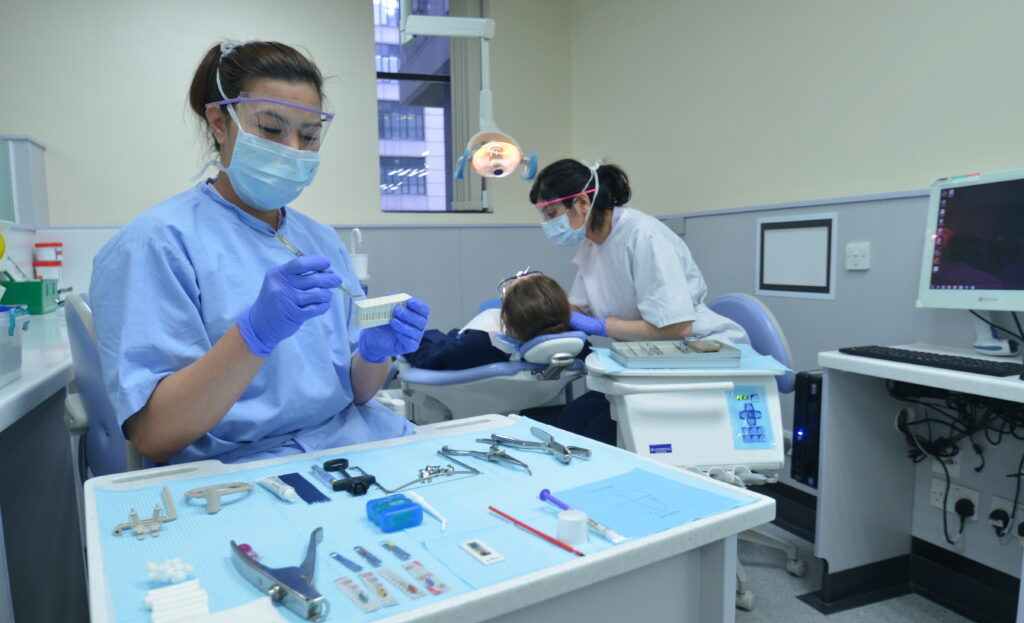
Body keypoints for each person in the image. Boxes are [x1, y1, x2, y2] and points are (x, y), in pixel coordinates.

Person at [90, 41, 429, 465]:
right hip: (243, 470)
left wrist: (376, 352)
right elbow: (155, 435)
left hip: (353, 442)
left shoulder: (320, 239)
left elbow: (357, 393)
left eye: (308, 136)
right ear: (219, 122)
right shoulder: (155, 244)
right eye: (271, 130)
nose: (293, 150)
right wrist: (254, 334)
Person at [529, 158, 748, 444]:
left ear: (582, 202)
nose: (548, 223)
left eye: (551, 212)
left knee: (601, 434)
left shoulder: (645, 237)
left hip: (694, 358)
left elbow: (676, 328)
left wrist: (600, 326)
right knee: (573, 420)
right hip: (646, 362)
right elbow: (577, 306)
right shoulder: (592, 242)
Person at [403, 270, 572, 370]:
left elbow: (428, 356)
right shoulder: (569, 344)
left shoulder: (478, 344)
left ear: (508, 320)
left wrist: (408, 340)